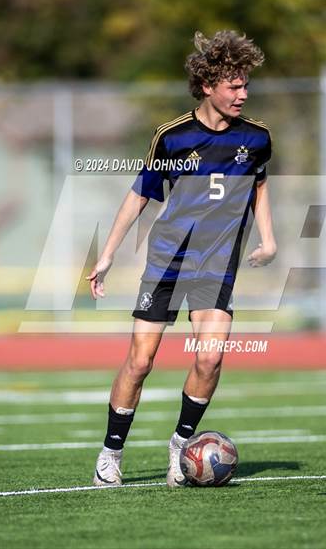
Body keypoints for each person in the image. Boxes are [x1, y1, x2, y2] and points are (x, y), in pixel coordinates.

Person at [87, 30, 277, 488]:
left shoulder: (256, 138)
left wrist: (269, 240)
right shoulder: (171, 137)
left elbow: (258, 184)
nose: (243, 94)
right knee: (140, 362)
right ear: (208, 86)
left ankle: (181, 447)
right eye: (234, 86)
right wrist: (108, 254)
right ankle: (111, 452)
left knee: (209, 359)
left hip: (217, 264)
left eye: (246, 85)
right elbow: (139, 195)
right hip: (168, 261)